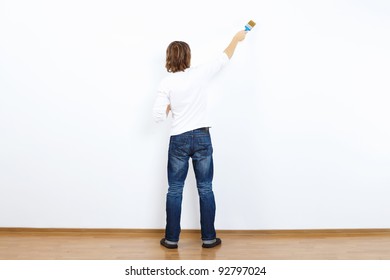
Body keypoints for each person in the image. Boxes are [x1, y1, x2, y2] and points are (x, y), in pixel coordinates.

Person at [153, 30, 247, 249]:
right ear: (188, 57)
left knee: (174, 189)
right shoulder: (200, 73)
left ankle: (171, 239)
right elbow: (224, 58)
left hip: (179, 139)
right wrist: (236, 39)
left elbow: (157, 117)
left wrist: (170, 106)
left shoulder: (166, 83)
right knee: (205, 188)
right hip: (202, 136)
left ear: (169, 58)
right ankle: (208, 238)